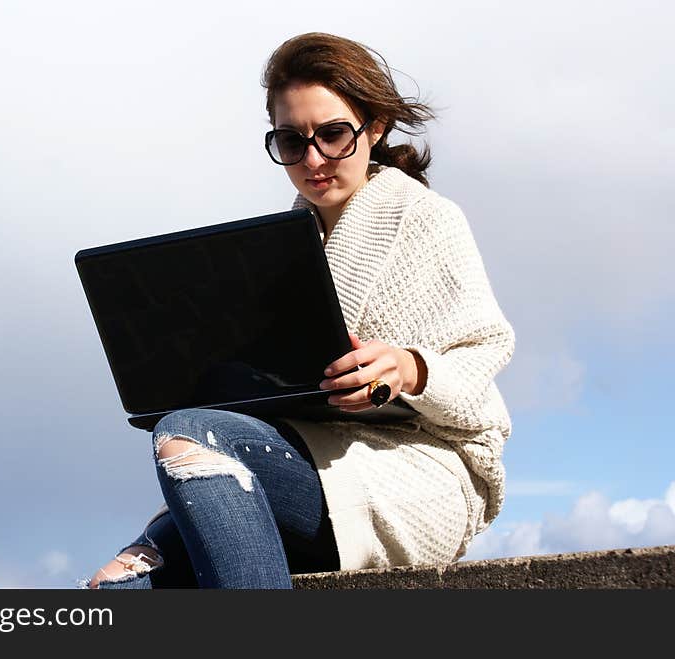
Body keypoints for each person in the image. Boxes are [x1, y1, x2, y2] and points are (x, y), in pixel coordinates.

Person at [79, 32, 515, 589]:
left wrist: (410, 368)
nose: (313, 160)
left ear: (375, 126)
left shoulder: (428, 219)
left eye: (333, 135)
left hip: (418, 472)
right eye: (291, 141)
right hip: (302, 463)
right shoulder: (285, 249)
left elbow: (485, 354)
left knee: (188, 434)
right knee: (115, 588)